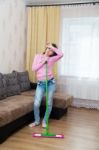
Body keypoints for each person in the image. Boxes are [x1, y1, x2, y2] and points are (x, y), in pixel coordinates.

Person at [29, 43, 63, 128]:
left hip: (50, 83)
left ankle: (45, 121)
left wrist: (52, 47)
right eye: (48, 48)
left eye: (51, 50)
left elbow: (61, 54)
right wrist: (43, 61)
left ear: (53, 53)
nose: (49, 50)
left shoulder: (52, 59)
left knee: (49, 103)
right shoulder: (37, 56)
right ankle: (37, 121)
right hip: (40, 84)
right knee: (36, 103)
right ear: (46, 48)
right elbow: (33, 69)